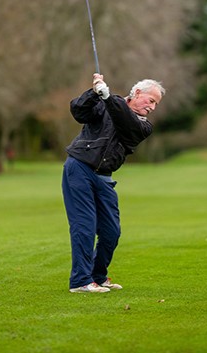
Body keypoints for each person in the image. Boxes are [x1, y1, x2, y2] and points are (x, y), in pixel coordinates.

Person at [62, 73, 165, 293]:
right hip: (79, 167)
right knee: (85, 225)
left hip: (104, 177)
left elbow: (125, 122)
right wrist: (93, 93)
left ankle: (98, 277)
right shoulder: (105, 101)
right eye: (151, 100)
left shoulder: (143, 126)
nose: (153, 107)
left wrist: (108, 98)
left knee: (111, 231)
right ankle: (80, 281)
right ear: (137, 93)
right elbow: (78, 111)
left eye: (156, 104)